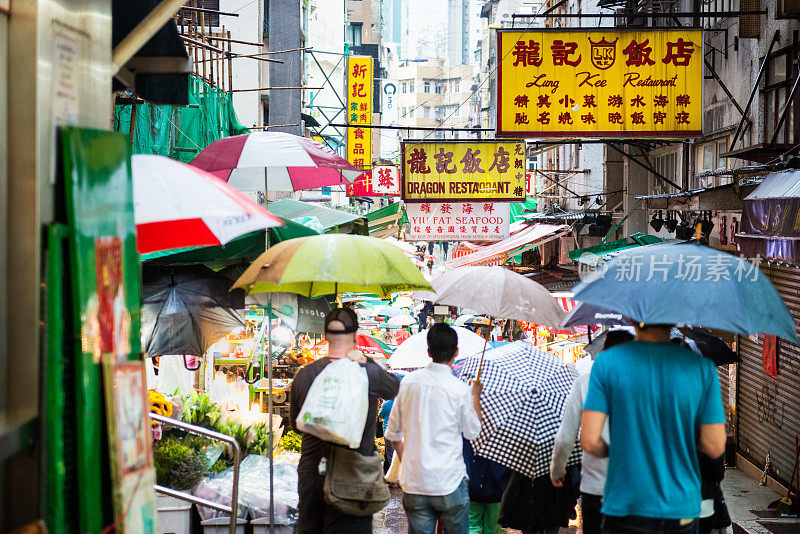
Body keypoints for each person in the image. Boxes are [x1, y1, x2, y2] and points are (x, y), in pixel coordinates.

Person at [581, 323, 727, 534]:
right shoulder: (703, 369)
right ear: (676, 323)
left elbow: (589, 440)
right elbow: (714, 446)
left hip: (626, 505)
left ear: (632, 319)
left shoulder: (607, 362)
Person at [290, 308, 401, 534]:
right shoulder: (366, 372)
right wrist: (365, 360)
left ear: (324, 335)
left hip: (312, 473)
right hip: (354, 477)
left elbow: (296, 425)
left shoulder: (305, 374)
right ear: (355, 334)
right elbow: (395, 388)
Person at [385, 323, 483, 534]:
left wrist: (407, 462)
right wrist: (475, 397)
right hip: (450, 482)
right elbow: (473, 432)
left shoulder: (409, 383)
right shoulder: (460, 390)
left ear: (428, 351)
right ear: (456, 352)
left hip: (415, 483)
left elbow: (393, 434)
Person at [550, 329, 635, 534]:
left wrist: (557, 469)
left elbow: (565, 437)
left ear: (604, 352)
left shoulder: (585, 383)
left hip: (595, 488)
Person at [463, 439, 507, 534]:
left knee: (472, 526)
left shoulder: (468, 432)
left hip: (472, 485)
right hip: (496, 487)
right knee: (493, 527)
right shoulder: (503, 434)